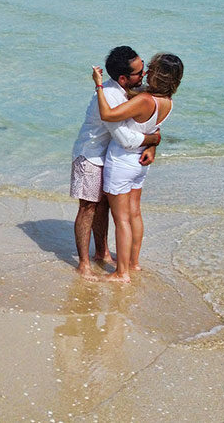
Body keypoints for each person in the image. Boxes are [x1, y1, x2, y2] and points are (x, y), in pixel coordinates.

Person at [69, 46, 161, 280]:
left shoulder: (130, 90)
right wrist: (153, 140)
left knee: (105, 207)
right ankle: (83, 264)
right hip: (89, 155)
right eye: (139, 73)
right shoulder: (110, 96)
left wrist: (151, 143)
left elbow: (147, 122)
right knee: (88, 207)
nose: (144, 76)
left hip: (109, 155)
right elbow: (124, 137)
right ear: (123, 78)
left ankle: (102, 253)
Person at [91, 52, 184, 283]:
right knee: (134, 213)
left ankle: (121, 273)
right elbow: (153, 131)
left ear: (157, 74)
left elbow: (108, 114)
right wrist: (153, 144)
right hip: (140, 164)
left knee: (121, 219)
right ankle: (133, 263)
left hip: (122, 161)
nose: (145, 73)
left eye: (149, 68)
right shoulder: (167, 103)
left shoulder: (144, 100)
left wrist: (99, 86)